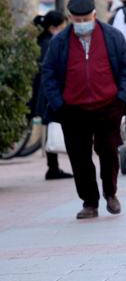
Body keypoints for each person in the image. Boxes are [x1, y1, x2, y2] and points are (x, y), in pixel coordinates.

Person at [42, 0, 126, 219]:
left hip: (108, 107)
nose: (82, 22)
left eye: (86, 18)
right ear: (70, 18)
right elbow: (49, 73)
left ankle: (111, 193)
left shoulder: (112, 36)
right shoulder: (59, 42)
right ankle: (89, 202)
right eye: (77, 19)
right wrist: (58, 103)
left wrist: (121, 98)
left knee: (108, 152)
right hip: (73, 110)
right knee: (79, 157)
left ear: (94, 15)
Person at [31, 11, 73, 180]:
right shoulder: (50, 44)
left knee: (51, 129)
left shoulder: (42, 42)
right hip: (49, 93)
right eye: (62, 27)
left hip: (44, 93)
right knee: (54, 128)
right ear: (53, 28)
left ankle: (53, 167)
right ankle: (53, 167)